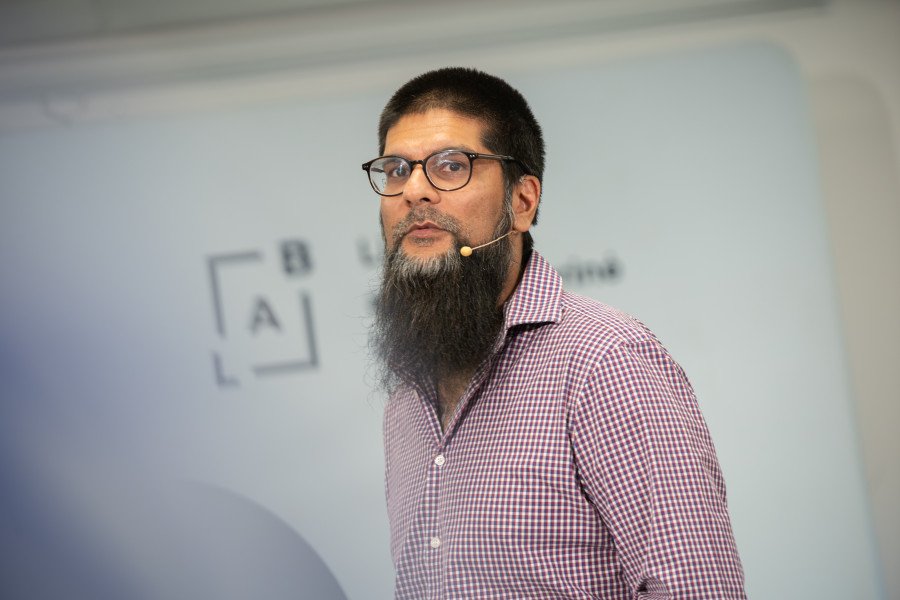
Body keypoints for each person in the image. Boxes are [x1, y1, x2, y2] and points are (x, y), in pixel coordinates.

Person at [365, 66, 746, 599]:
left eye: (451, 166)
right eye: (396, 170)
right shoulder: (405, 401)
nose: (414, 191)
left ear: (522, 202)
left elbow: (695, 590)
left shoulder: (606, 361)